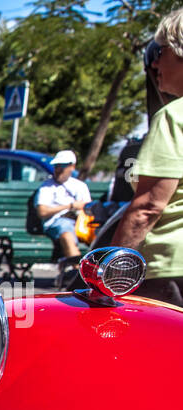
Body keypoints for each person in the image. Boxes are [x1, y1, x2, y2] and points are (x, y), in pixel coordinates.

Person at [112, 9, 183, 305]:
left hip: (171, 273)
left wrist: (109, 271)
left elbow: (148, 208)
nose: (155, 62)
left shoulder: (174, 116)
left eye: (161, 51)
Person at [34, 150, 91, 260]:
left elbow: (88, 207)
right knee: (66, 233)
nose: (58, 169)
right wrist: (69, 206)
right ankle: (77, 271)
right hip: (56, 222)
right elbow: (42, 212)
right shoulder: (47, 187)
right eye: (56, 166)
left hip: (80, 222)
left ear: (72, 166)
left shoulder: (80, 186)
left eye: (62, 166)